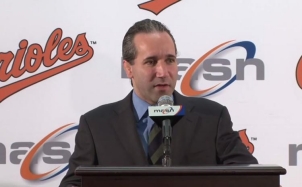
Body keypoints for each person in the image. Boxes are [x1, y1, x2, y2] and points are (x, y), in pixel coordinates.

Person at [59, 19, 258, 187]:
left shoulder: (212, 118)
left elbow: (250, 178)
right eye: (151, 62)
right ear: (128, 68)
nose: (163, 72)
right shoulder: (96, 125)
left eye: (170, 60)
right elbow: (73, 184)